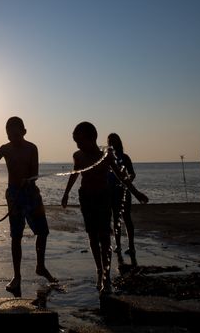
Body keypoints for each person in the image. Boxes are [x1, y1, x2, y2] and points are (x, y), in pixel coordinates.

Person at [62, 122, 147, 295]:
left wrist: (136, 193)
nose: (77, 145)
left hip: (102, 197)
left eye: (80, 141)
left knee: (104, 237)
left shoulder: (106, 156)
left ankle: (106, 274)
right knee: (92, 236)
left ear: (92, 138)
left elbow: (121, 175)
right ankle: (99, 270)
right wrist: (65, 194)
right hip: (86, 198)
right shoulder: (78, 155)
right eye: (75, 141)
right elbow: (74, 174)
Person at [0, 117, 57, 295]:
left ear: (23, 131)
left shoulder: (32, 148)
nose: (12, 136)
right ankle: (16, 275)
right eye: (8, 133)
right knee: (16, 236)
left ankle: (40, 266)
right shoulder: (5, 148)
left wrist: (28, 180)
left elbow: (35, 172)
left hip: (31, 193)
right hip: (14, 195)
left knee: (42, 231)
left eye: (15, 133)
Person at [107, 133, 139, 264]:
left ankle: (131, 245)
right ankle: (118, 245)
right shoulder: (107, 158)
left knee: (126, 218)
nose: (111, 144)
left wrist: (127, 180)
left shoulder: (125, 157)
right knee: (115, 219)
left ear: (119, 143)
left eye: (113, 141)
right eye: (109, 142)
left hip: (123, 190)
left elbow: (132, 173)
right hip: (110, 192)